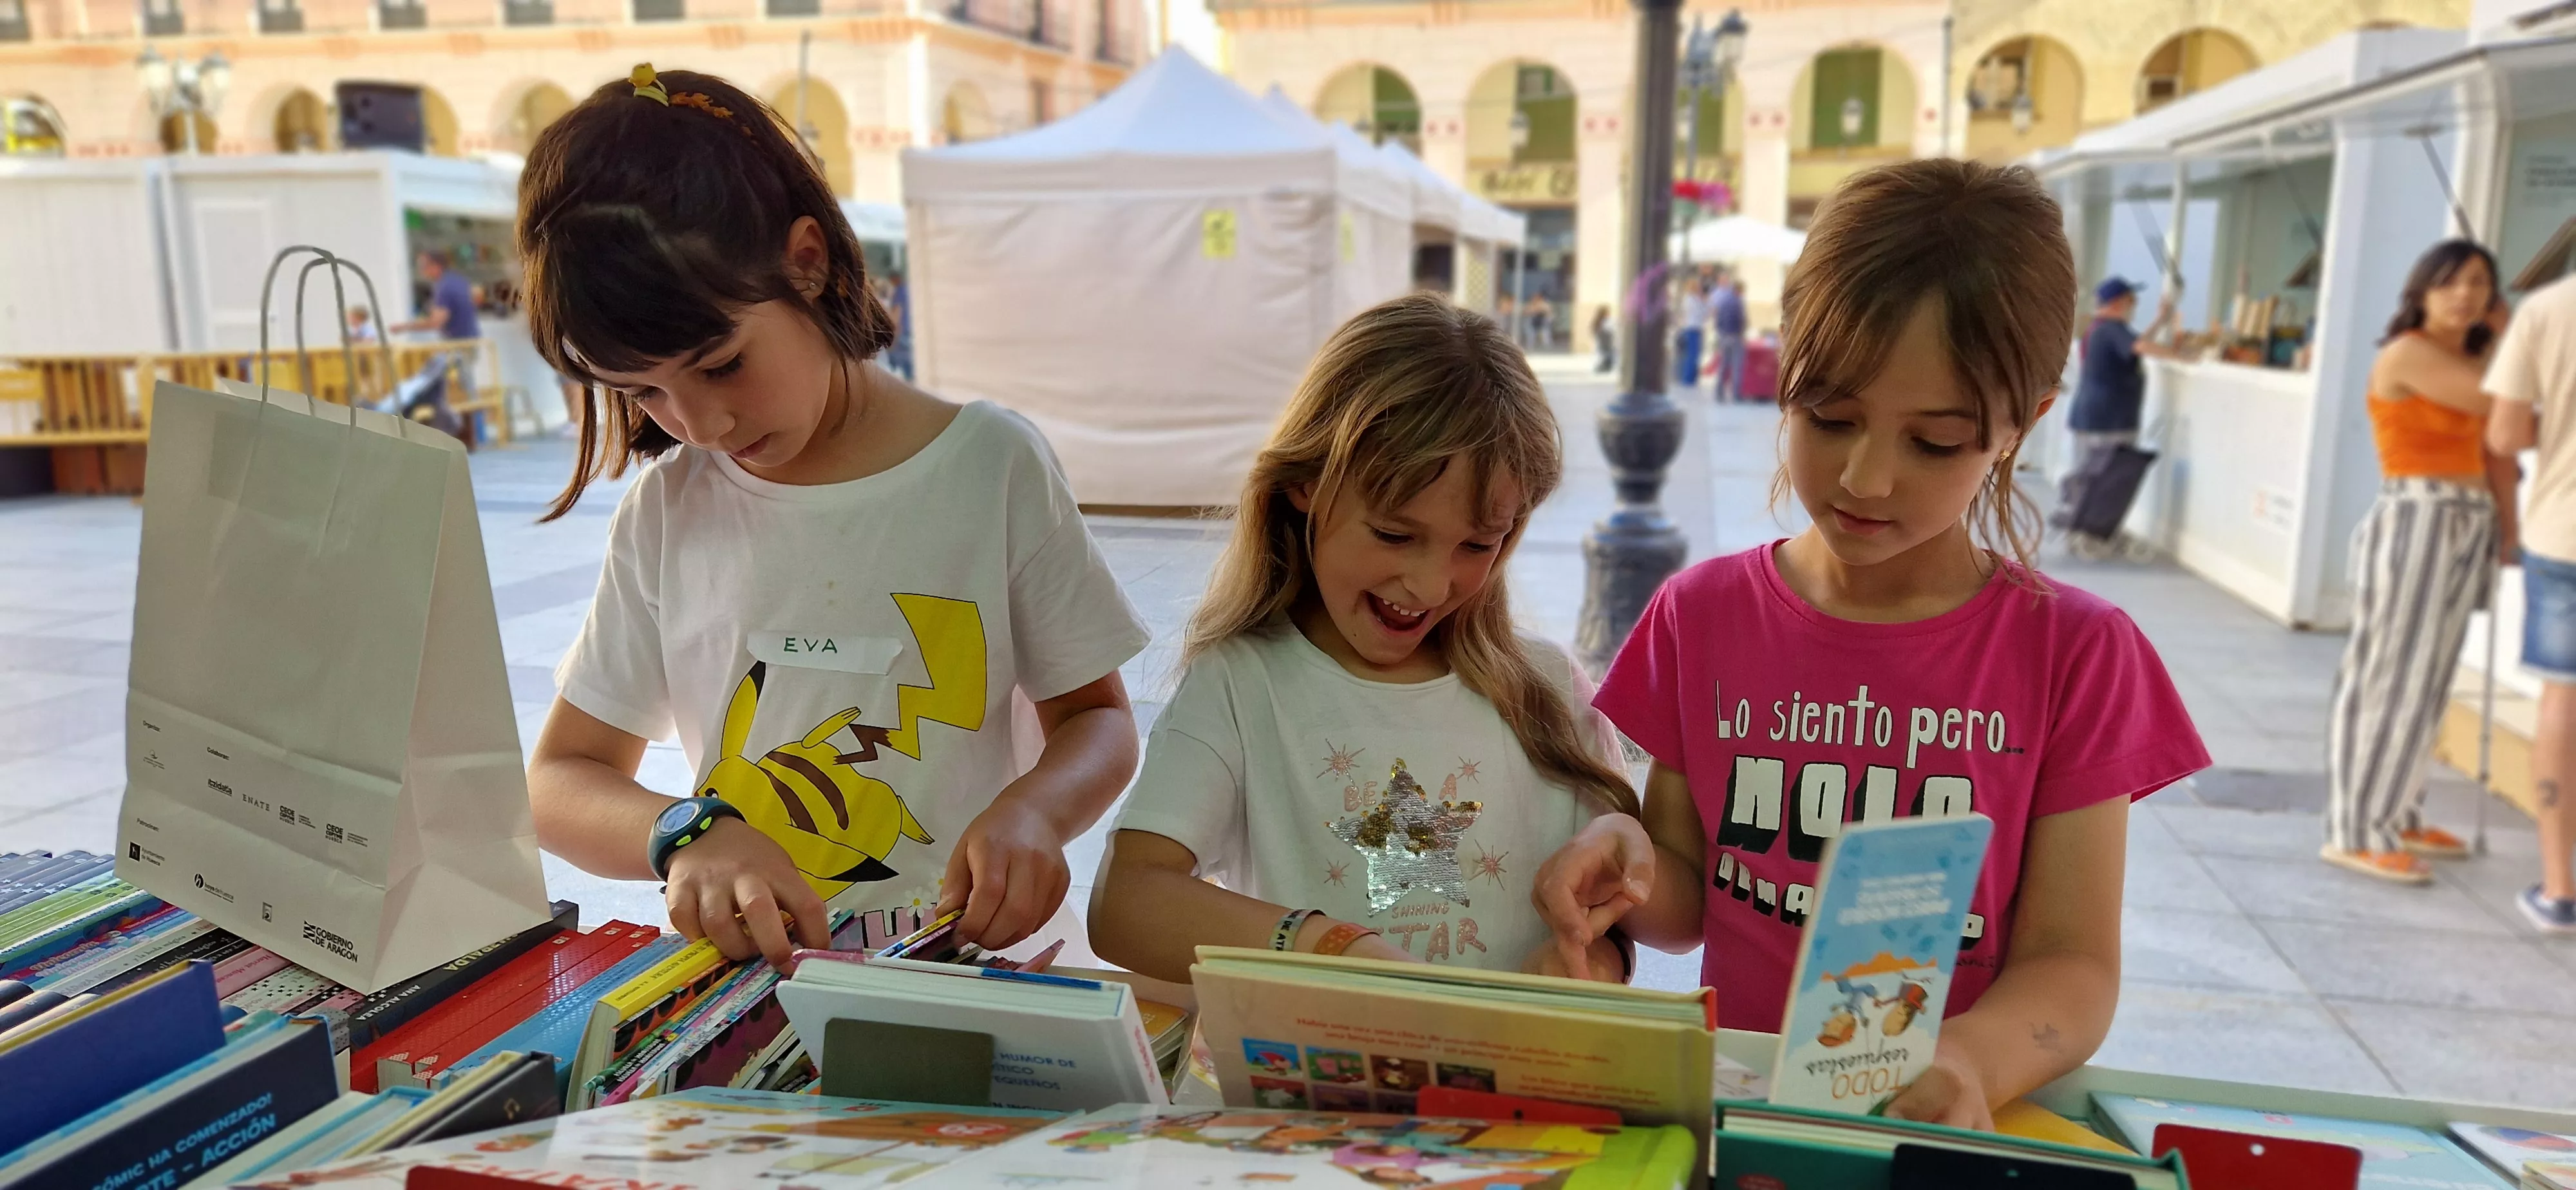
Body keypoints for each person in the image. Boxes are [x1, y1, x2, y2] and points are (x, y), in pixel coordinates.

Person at [1528, 159, 2210, 1129]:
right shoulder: (1702, 615)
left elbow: (2073, 965)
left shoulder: (2076, 656)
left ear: (2024, 425)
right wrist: (1621, 851)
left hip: (1945, 1126)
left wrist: (1969, 1061)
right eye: (1830, 416)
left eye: (1935, 441)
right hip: (1743, 1122)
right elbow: (1683, 906)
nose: (1867, 477)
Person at [515, 66, 1149, 968]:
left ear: (807, 262)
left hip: (978, 978)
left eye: (722, 362)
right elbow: (557, 781)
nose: (700, 424)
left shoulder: (988, 468)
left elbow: (1101, 721)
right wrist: (685, 833)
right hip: (755, 1000)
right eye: (642, 390)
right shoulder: (670, 508)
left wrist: (1035, 811)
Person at [1087, 294, 1638, 985]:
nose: (1432, 585)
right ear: (1304, 486)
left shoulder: (1551, 689)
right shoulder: (1242, 683)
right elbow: (1123, 904)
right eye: (1395, 534)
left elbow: (1628, 916)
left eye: (1477, 544)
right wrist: (1334, 948)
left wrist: (1592, 961)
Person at [2320, 240, 2518, 885]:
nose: (2466, 295)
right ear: (2423, 291)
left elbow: (2499, 450)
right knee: (2388, 678)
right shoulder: (2409, 352)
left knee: (2429, 680)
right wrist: (2510, 335)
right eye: (2452, 283)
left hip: (2465, 520)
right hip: (2418, 517)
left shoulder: (2470, 352)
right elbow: (2499, 404)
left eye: (2479, 284)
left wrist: (2507, 533)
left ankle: (2398, 812)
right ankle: (2354, 829)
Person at [2488, 274, 2576, 930]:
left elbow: (2505, 434)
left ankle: (2558, 888)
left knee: (2561, 700)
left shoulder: (2547, 310)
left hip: (2563, 531)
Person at [2055, 278, 2176, 541]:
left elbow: (2133, 346)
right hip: (2109, 420)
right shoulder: (2112, 329)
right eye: (2133, 301)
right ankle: (2090, 532)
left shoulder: (2097, 329)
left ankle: (2079, 529)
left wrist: (2159, 321)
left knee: (2089, 475)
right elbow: (2139, 347)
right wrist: (2182, 356)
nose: (2134, 307)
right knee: (2106, 480)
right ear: (2120, 303)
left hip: (2090, 415)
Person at [1710, 273, 1748, 402]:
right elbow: (1741, 320)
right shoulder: (1738, 302)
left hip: (1724, 336)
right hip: (1735, 336)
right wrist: (1741, 331)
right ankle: (1736, 394)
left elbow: (1718, 318)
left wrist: (1721, 332)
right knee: (1737, 366)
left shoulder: (1724, 301)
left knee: (1723, 365)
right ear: (1739, 290)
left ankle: (1719, 393)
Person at [1674, 275, 1709, 392]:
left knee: (1696, 354)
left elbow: (1705, 312)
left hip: (1697, 328)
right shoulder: (1689, 299)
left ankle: (1693, 378)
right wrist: (1703, 304)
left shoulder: (1696, 299)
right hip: (1692, 328)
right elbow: (1699, 313)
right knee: (1692, 354)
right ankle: (1688, 379)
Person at [1592, 305, 1615, 373]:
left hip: (1603, 344)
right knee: (1607, 356)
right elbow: (1610, 331)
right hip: (1606, 344)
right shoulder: (1605, 322)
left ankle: (1604, 366)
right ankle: (1604, 367)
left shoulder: (1599, 321)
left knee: (1605, 356)